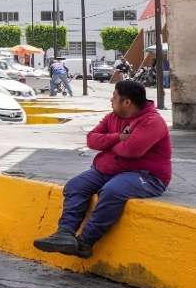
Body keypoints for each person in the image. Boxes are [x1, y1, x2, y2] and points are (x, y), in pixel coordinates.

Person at [33, 79, 171, 260]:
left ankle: (85, 243)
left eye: (114, 97)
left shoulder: (152, 121)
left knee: (112, 191)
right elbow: (91, 139)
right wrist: (118, 137)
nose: (111, 101)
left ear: (126, 102)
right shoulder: (112, 117)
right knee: (75, 186)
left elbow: (131, 150)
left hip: (146, 176)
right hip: (108, 171)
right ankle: (64, 233)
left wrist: (109, 145)